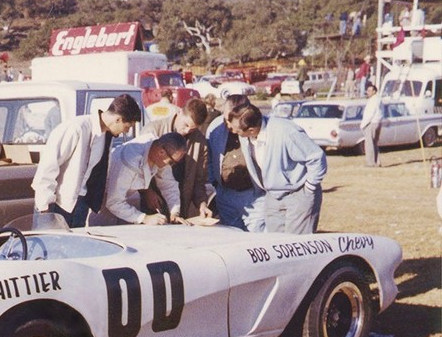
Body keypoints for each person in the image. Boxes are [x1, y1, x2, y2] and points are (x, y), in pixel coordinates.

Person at [32, 94, 142, 228]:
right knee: (51, 246)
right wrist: (45, 208)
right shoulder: (76, 128)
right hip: (57, 205)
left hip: (80, 204)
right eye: (127, 127)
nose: (126, 131)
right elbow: (47, 168)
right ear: (118, 119)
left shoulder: (106, 136)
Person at [227, 104, 327, 234]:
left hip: (299, 194)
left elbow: (316, 157)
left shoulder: (287, 131)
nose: (233, 132)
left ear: (251, 130)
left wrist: (309, 188)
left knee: (296, 247)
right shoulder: (246, 137)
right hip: (273, 196)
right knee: (275, 244)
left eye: (237, 130)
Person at [91, 132, 189, 226]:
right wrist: (145, 218)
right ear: (161, 152)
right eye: (172, 162)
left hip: (126, 199)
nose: (171, 166)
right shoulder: (130, 159)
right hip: (102, 200)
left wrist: (174, 213)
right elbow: (113, 202)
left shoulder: (159, 152)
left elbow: (168, 185)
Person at [140, 98, 212, 220]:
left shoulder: (200, 142)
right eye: (186, 125)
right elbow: (138, 169)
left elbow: (199, 181)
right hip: (152, 204)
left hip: (180, 206)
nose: (187, 131)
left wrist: (202, 204)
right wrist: (146, 192)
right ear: (179, 112)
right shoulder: (152, 131)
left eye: (193, 129)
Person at [206, 95, 265, 232]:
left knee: (257, 237)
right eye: (226, 118)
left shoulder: (254, 127)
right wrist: (215, 183)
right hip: (225, 194)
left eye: (232, 119)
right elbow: (209, 157)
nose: (229, 124)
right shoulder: (215, 127)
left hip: (254, 195)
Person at [360, 82, 383, 167]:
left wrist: (363, 125)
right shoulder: (379, 100)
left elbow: (369, 114)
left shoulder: (373, 100)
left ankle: (371, 163)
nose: (368, 92)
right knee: (374, 143)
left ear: (374, 91)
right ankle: (377, 162)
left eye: (370, 90)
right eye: (367, 90)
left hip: (371, 122)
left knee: (369, 144)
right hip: (378, 122)